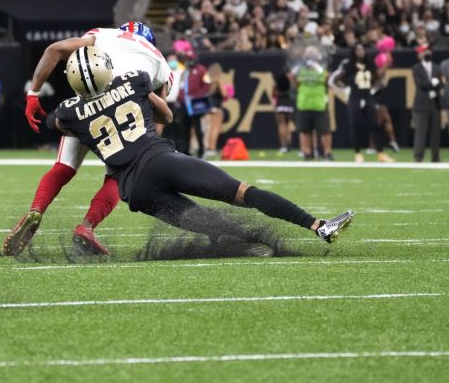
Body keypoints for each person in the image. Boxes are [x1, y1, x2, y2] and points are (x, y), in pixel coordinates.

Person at [48, 47, 355, 251]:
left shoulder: (67, 112)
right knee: (242, 193)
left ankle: (257, 247)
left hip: (134, 190)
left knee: (211, 223)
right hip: (159, 160)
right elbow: (167, 116)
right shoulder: (134, 80)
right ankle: (318, 226)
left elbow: (55, 124)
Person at [7, 22, 172, 257]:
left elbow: (54, 49)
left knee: (63, 167)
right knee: (117, 177)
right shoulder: (159, 61)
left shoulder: (106, 35)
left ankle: (36, 209)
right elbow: (161, 116)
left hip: (83, 110)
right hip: (119, 124)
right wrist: (148, 150)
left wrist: (33, 94)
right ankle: (87, 227)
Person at [330, 42, 392, 163]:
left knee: (375, 124)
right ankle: (357, 153)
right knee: (355, 124)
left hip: (368, 96)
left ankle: (381, 153)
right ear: (354, 52)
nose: (360, 52)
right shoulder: (349, 65)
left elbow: (377, 78)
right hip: (355, 97)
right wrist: (346, 88)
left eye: (362, 49)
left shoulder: (369, 64)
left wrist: (374, 86)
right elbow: (337, 80)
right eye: (358, 50)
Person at [290, 48, 332, 161]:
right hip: (304, 104)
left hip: (319, 104)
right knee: (305, 131)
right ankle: (307, 153)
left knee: (324, 131)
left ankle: (327, 153)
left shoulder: (321, 69)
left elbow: (328, 80)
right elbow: (293, 81)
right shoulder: (300, 69)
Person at [410, 44, 442, 163]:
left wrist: (434, 83)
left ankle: (436, 157)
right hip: (422, 103)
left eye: (427, 50)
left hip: (435, 103)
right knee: (420, 132)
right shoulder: (416, 68)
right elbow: (420, 84)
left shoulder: (437, 68)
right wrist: (432, 82)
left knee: (435, 132)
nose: (426, 53)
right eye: (423, 51)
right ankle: (418, 157)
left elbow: (441, 84)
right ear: (419, 55)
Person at [203, 64, 231, 159]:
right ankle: (211, 149)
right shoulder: (218, 82)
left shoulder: (207, 81)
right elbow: (225, 94)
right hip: (216, 108)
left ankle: (207, 149)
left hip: (208, 108)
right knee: (214, 129)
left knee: (208, 129)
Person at [272, 68, 295, 155]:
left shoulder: (279, 79)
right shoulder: (292, 79)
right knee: (288, 124)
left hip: (281, 103)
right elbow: (294, 89)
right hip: (289, 103)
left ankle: (283, 146)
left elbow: (274, 92)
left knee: (282, 125)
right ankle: (288, 145)